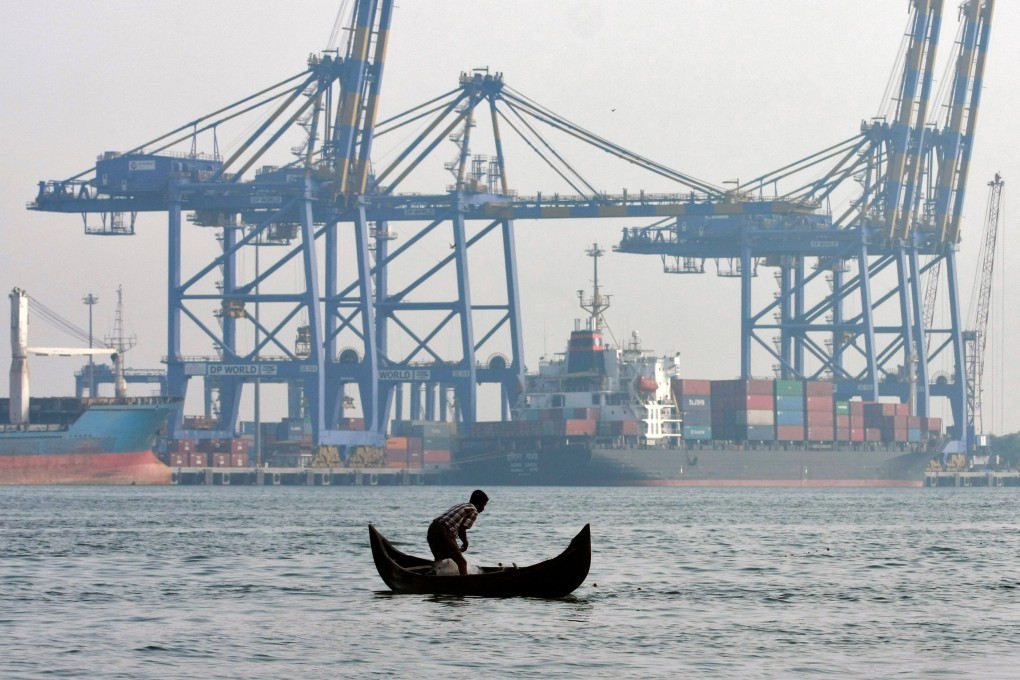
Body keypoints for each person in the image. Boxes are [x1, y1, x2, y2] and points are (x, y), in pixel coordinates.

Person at [427, 489, 489, 575]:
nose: (483, 508)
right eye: (483, 505)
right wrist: (465, 543)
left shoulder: (462, 505)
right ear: (479, 503)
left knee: (439, 559)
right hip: (443, 530)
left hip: (433, 528)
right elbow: (461, 530)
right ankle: (464, 584)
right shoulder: (473, 510)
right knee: (462, 562)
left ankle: (432, 577)